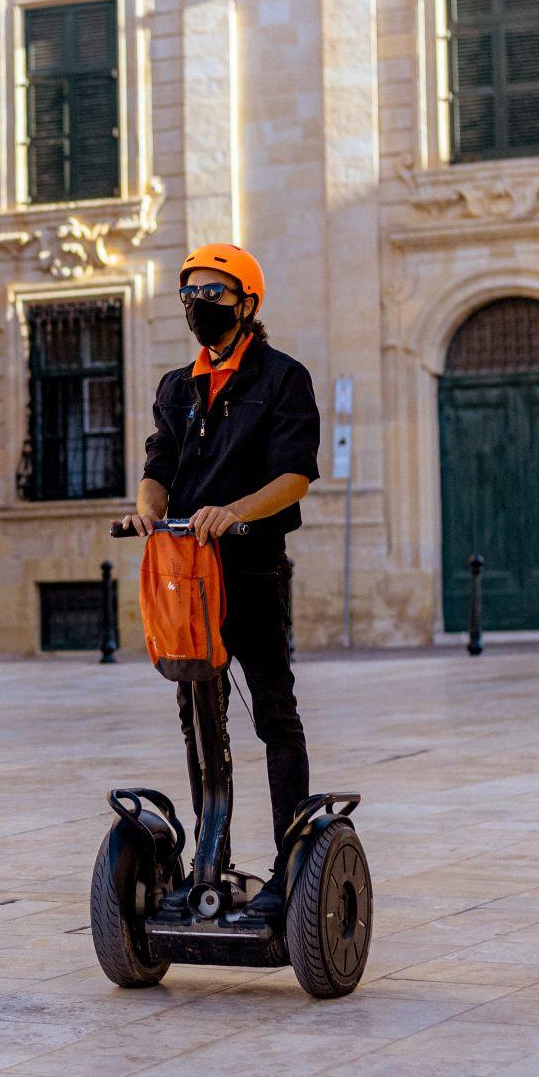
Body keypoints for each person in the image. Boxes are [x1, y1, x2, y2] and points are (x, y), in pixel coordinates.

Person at [134, 243, 323, 919]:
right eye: (189, 293)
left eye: (212, 293)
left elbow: (294, 475)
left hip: (250, 565)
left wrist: (232, 512)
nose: (197, 304)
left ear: (246, 305)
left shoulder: (281, 378)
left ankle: (288, 864)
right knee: (197, 715)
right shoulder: (175, 387)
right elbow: (159, 464)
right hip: (184, 572)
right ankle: (208, 859)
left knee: (273, 713)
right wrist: (148, 509)